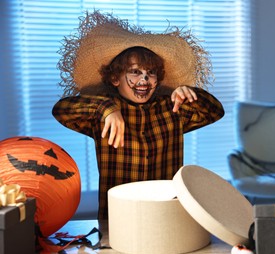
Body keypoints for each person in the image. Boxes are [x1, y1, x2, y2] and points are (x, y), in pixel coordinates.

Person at [52, 10, 224, 219]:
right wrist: (106, 109)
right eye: (135, 72)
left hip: (166, 215)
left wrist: (191, 93)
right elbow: (61, 110)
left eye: (150, 73)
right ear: (115, 78)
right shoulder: (101, 117)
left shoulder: (173, 109)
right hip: (118, 217)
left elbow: (215, 111)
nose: (144, 80)